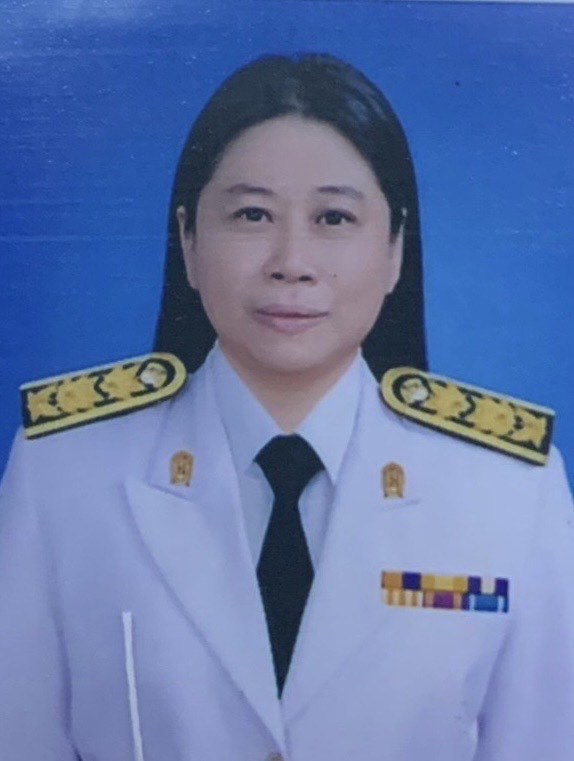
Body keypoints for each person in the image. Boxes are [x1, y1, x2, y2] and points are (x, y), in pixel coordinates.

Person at [0, 53, 572, 761]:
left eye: (334, 217)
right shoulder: (63, 472)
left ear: (395, 247)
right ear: (188, 239)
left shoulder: (510, 490)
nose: (292, 261)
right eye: (252, 214)